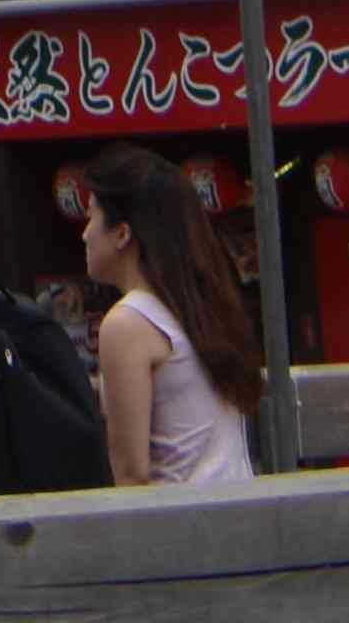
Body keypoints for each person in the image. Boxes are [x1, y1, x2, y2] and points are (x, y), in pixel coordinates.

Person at [82, 144, 261, 489]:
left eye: (91, 217)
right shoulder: (200, 307)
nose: (85, 233)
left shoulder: (127, 324)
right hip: (237, 507)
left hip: (179, 515)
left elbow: (131, 476)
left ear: (122, 234)